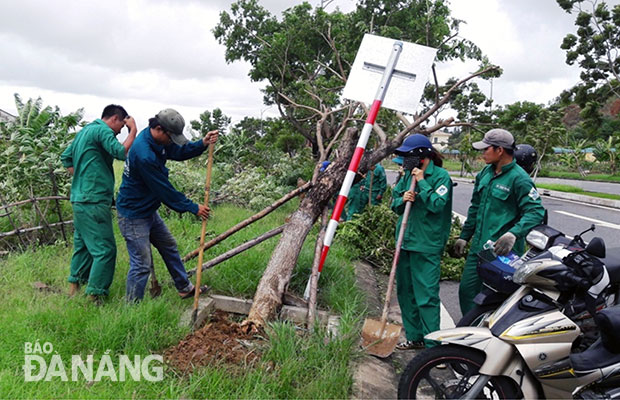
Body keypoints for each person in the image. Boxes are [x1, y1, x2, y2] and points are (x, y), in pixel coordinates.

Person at [115, 108, 218, 302]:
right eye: (171, 137)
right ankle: (131, 309)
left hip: (148, 211)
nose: (172, 141)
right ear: (160, 129)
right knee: (141, 264)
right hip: (133, 215)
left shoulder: (158, 140)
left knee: (169, 246)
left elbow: (179, 151)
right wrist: (192, 207)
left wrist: (202, 144)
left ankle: (184, 287)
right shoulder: (144, 154)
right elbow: (164, 191)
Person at [454, 129, 545, 315]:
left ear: (500, 150)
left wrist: (513, 234)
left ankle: (490, 339)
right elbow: (475, 208)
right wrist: (464, 236)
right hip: (479, 249)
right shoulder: (485, 174)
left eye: (486, 149)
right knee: (467, 291)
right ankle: (472, 333)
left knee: (496, 299)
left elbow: (536, 212)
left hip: (503, 252)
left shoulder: (520, 179)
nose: (482, 153)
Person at [60, 104, 138, 300]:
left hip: (79, 199)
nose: (121, 130)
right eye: (121, 126)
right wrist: (133, 131)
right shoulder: (103, 131)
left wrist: (84, 178)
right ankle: (94, 297)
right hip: (93, 200)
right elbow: (120, 152)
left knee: (84, 246)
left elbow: (66, 158)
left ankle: (73, 289)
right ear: (114, 119)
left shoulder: (85, 131)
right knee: (105, 250)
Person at [391, 134, 453, 350]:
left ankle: (433, 347)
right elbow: (394, 203)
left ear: (421, 157)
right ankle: (415, 337)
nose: (405, 161)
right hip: (404, 242)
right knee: (405, 293)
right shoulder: (406, 175)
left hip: (426, 245)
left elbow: (437, 204)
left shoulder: (441, 177)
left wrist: (423, 183)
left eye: (408, 156)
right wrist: (403, 199)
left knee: (426, 296)